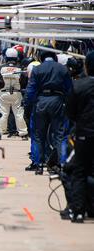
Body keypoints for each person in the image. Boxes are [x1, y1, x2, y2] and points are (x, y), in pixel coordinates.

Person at [26, 48, 73, 175]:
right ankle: (62, 164)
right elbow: (69, 89)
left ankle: (39, 165)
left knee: (38, 135)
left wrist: (29, 105)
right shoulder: (63, 69)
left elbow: (31, 90)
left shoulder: (37, 69)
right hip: (58, 101)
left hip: (41, 102)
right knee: (60, 135)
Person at [66, 51, 94, 223]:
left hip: (84, 134)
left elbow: (70, 112)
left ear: (87, 66)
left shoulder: (78, 86)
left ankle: (77, 211)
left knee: (79, 172)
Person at [0, 48, 28, 139]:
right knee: (19, 113)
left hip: (3, 93)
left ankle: (0, 132)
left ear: (6, 57)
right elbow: (24, 82)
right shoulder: (20, 68)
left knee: (3, 113)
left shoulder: (1, 68)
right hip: (16, 93)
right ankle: (23, 133)